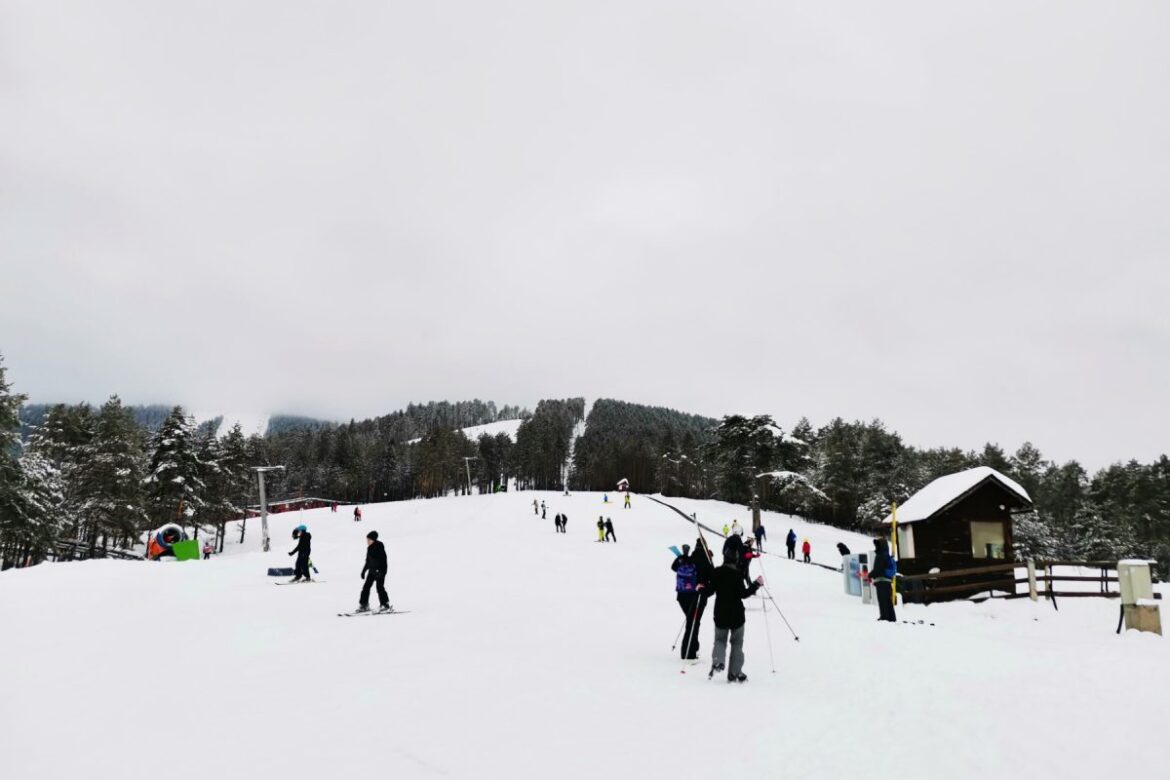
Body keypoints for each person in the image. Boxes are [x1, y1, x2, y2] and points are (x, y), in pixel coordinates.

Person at [704, 549, 763, 683]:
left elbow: (709, 591)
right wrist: (756, 585)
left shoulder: (717, 572)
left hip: (720, 614)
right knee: (737, 643)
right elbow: (743, 594)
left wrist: (701, 588)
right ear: (735, 560)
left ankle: (718, 661)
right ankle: (735, 673)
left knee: (720, 640)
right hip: (737, 615)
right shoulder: (737, 575)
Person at [672, 542, 713, 660]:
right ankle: (689, 653)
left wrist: (681, 557)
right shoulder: (706, 562)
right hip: (698, 598)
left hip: (682, 596)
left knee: (692, 622)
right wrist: (706, 593)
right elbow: (713, 580)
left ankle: (693, 647)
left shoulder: (688, 559)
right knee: (693, 623)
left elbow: (674, 567)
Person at [357, 530, 390, 613]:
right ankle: (364, 605)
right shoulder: (369, 548)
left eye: (369, 540)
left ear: (373, 539)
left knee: (379, 588)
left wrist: (380, 570)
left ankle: (385, 605)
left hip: (380, 571)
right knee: (366, 588)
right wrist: (363, 571)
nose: (367, 541)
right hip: (372, 571)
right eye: (367, 540)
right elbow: (368, 561)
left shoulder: (379, 546)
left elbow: (383, 560)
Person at [870, 538, 897, 622]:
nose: (876, 546)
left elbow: (878, 570)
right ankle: (891, 618)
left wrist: (869, 575)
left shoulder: (880, 555)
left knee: (882, 600)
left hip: (881, 581)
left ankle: (884, 617)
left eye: (877, 544)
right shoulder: (886, 555)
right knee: (888, 600)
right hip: (888, 581)